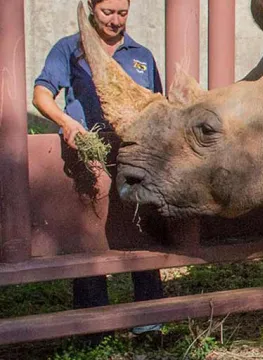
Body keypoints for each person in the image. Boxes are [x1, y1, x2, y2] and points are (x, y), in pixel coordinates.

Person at [32, 0, 165, 339]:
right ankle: (93, 327)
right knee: (89, 237)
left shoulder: (142, 55)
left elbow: (158, 105)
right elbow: (41, 94)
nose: (115, 20)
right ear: (92, 7)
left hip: (133, 159)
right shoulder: (68, 49)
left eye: (122, 13)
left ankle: (149, 322)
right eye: (108, 12)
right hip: (88, 156)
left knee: (141, 232)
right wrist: (65, 122)